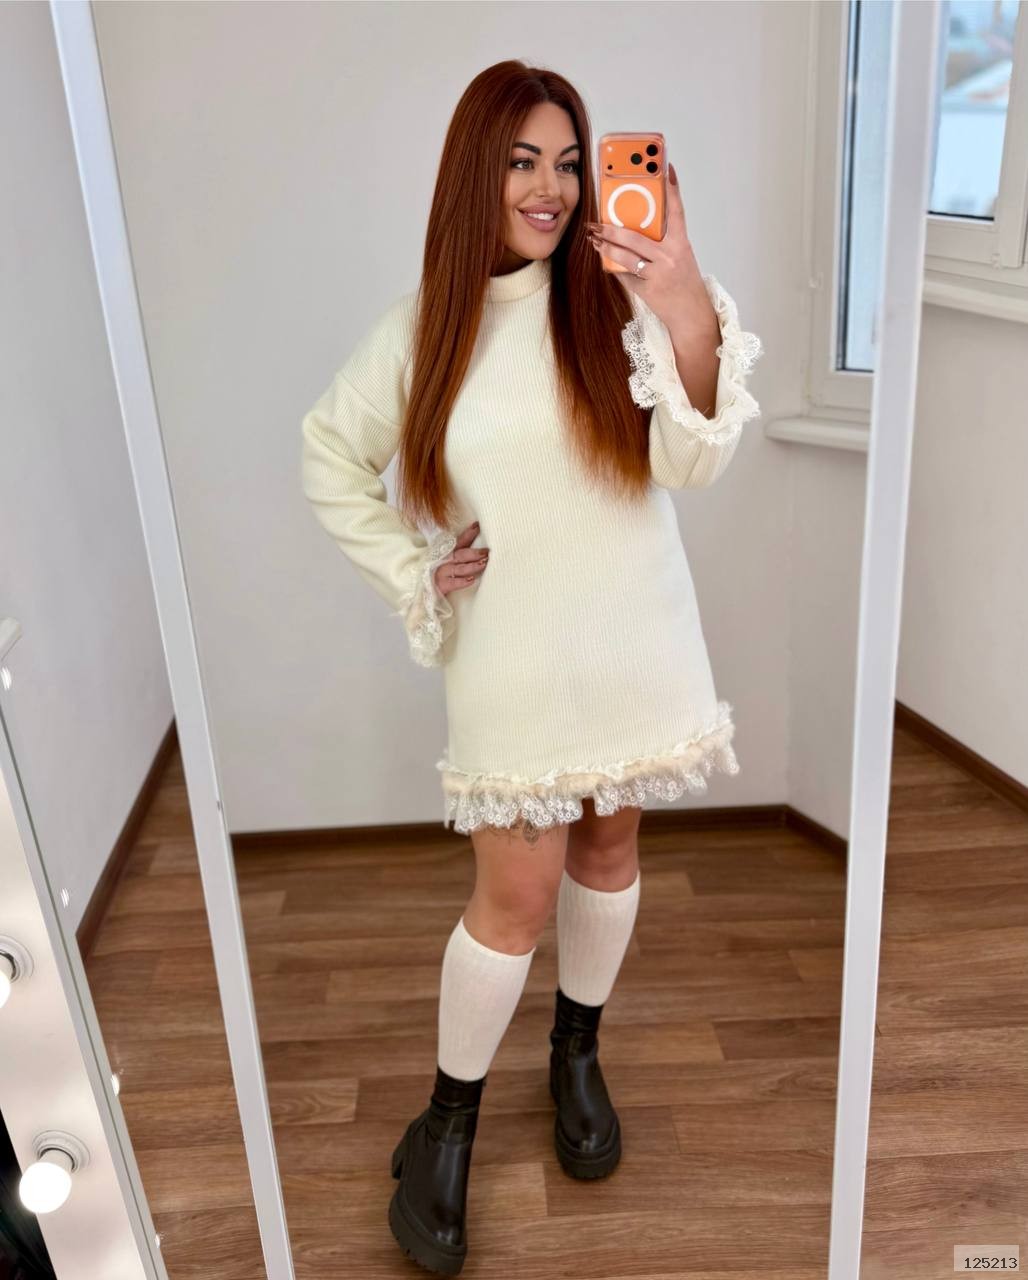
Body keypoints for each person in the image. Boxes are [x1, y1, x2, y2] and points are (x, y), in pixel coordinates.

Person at [300, 59, 762, 1277]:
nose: (550, 187)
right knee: (513, 894)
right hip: (514, 648)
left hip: (635, 631)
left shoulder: (614, 297)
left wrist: (679, 299)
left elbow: (692, 460)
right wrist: (417, 568)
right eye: (521, 161)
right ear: (476, 172)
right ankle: (445, 1118)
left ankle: (576, 1051)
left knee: (608, 847)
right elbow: (327, 455)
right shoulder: (424, 327)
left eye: (566, 161)